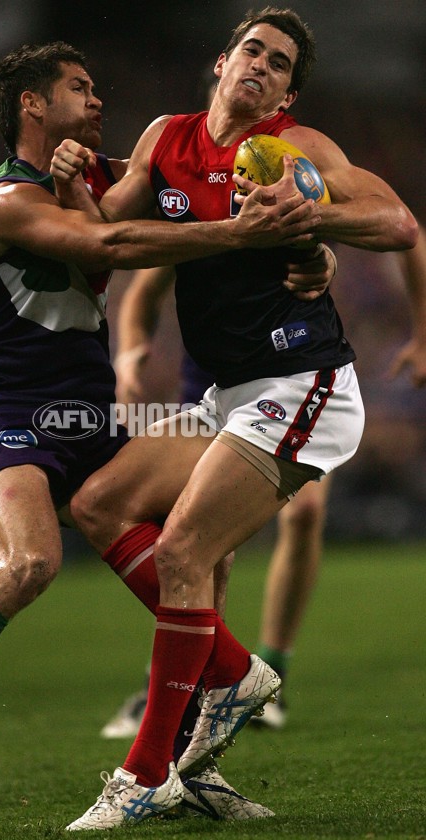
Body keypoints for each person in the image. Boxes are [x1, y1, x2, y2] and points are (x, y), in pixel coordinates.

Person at [0, 40, 323, 820]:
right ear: (33, 105)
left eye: (99, 87)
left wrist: (315, 258)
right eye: (79, 87)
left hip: (95, 418)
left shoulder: (101, 179)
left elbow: (179, 200)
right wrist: (243, 237)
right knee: (32, 560)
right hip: (5, 417)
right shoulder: (1, 202)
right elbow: (109, 244)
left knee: (202, 531)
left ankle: (192, 748)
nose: (99, 99)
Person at [50, 6, 417, 829]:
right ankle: (232, 676)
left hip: (303, 387)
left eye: (280, 63)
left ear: (287, 92)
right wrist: (75, 170)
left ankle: (145, 774)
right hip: (224, 397)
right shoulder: (167, 139)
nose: (261, 65)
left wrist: (312, 218)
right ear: (220, 63)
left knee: (183, 551)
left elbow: (397, 222)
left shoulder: (299, 152)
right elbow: (107, 224)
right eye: (251, 49)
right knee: (98, 504)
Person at [101, 219, 426, 739]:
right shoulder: (197, 218)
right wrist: (129, 355)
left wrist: (418, 328)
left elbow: (401, 227)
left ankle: (263, 670)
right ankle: (207, 679)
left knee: (291, 517)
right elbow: (144, 288)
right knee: (185, 542)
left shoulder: (290, 208)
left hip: (286, 388)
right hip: (212, 390)